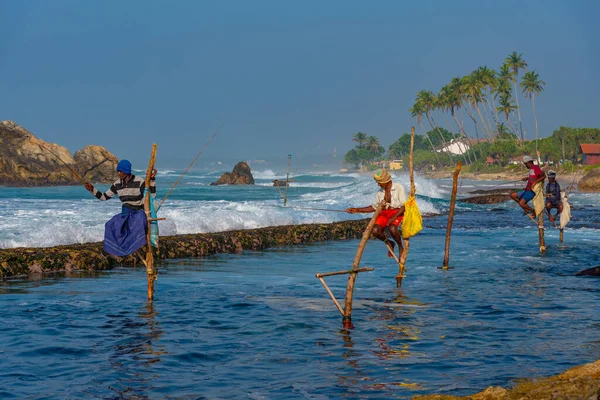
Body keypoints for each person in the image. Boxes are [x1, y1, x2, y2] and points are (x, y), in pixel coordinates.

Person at [84, 160, 157, 256]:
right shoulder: (117, 184)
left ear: (127, 171)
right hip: (125, 213)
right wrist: (92, 189)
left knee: (140, 222)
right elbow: (104, 197)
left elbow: (152, 195)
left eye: (121, 171)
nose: (119, 173)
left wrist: (152, 180)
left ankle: (136, 245)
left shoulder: (139, 181)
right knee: (110, 225)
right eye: (118, 171)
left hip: (138, 212)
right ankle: (119, 249)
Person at [346, 168, 407, 259]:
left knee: (392, 228)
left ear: (385, 181)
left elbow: (404, 206)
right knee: (375, 230)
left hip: (397, 212)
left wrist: (394, 217)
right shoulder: (380, 192)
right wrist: (356, 210)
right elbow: (374, 207)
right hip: (385, 212)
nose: (378, 184)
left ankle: (400, 246)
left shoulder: (399, 187)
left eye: (379, 182)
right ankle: (389, 242)